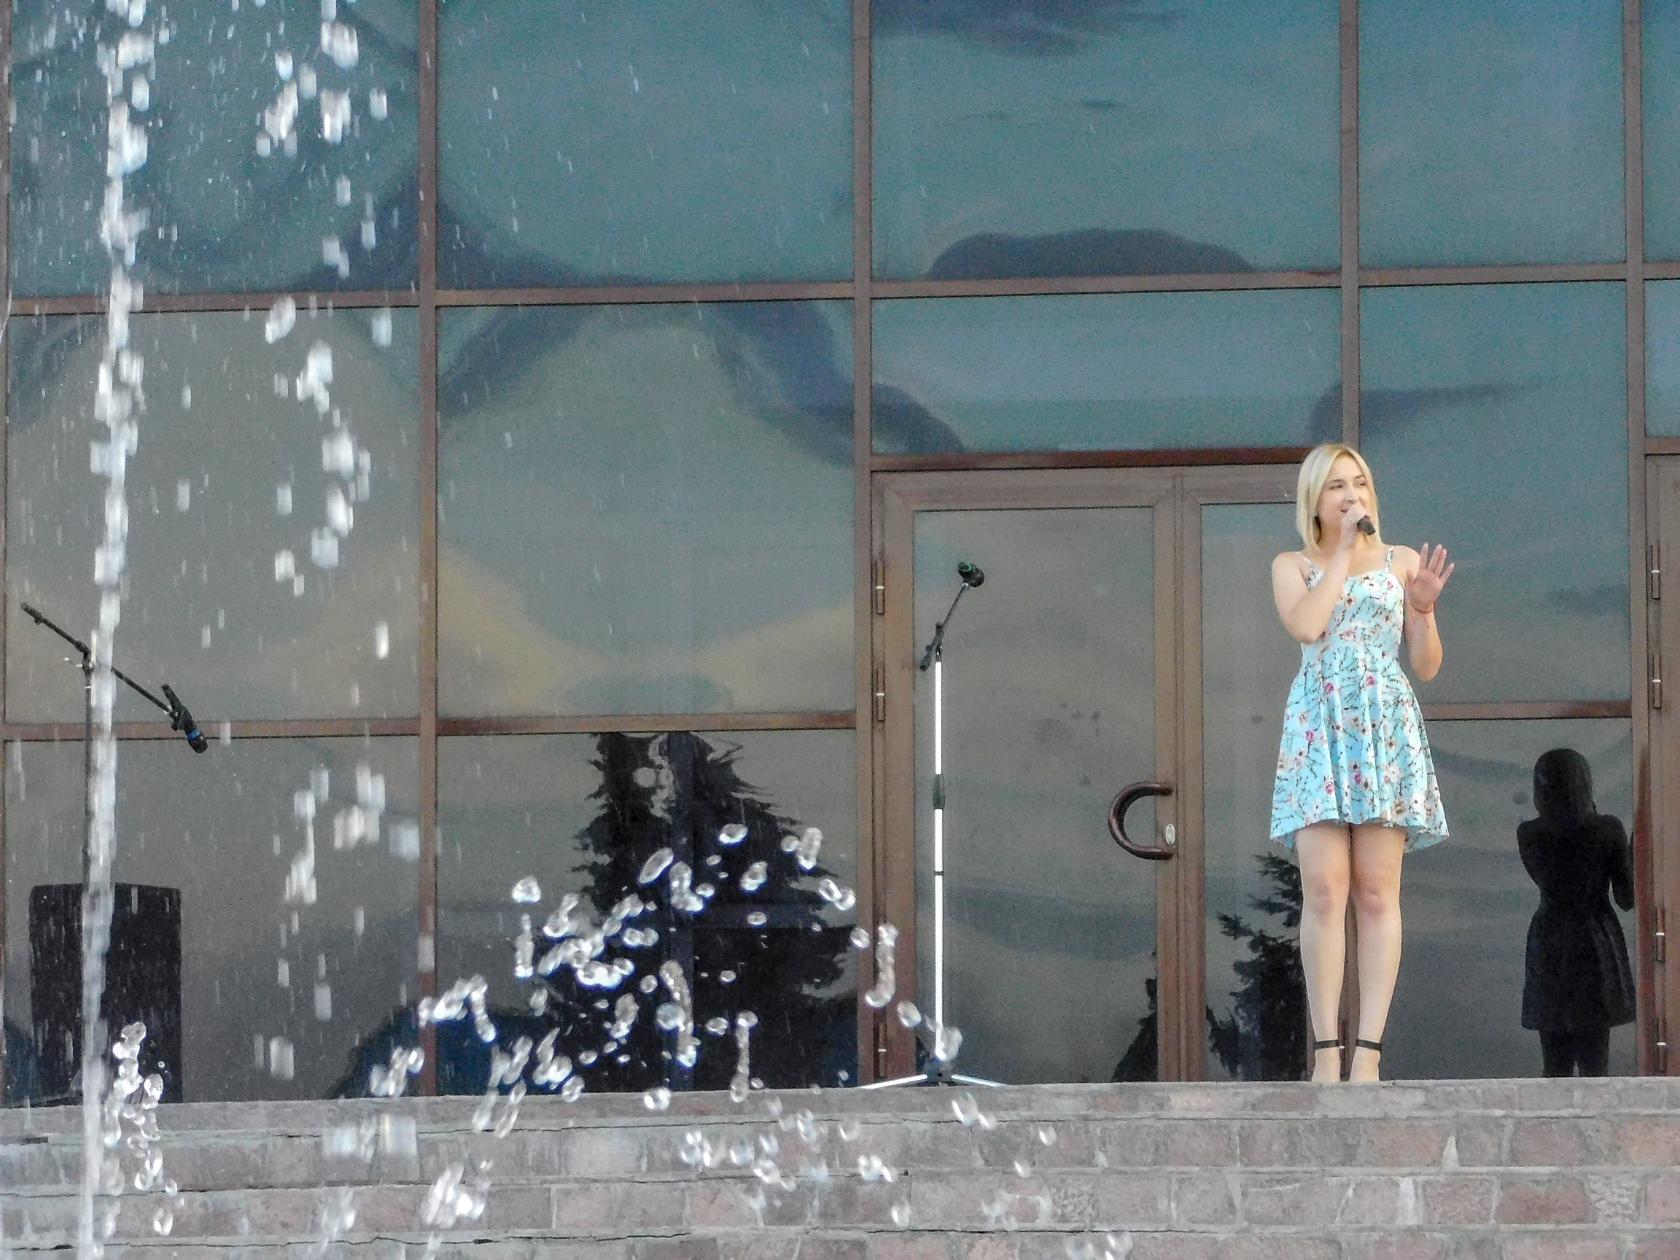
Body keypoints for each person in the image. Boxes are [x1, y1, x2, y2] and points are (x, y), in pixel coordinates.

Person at [1269, 443, 1453, 1082]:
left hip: (1383, 727)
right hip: (1319, 728)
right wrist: (1344, 552)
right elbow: (1308, 627)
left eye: (1360, 483)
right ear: (1315, 500)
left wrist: (1423, 609)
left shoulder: (1401, 561)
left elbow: (1425, 666)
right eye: (1337, 487)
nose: (1352, 496)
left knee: (1377, 891)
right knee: (1324, 888)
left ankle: (1368, 1052)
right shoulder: (1293, 565)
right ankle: (1326, 1050)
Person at [1518, 748, 1636, 1077]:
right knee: (1595, 1063)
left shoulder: (1528, 834)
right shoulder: (1608, 829)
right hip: (1596, 939)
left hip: (1548, 940)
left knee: (1554, 1063)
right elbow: (1626, 898)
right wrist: (1632, 852)